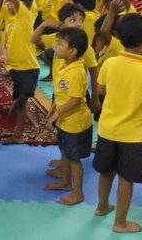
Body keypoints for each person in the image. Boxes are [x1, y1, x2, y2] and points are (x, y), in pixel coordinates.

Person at [93, 13, 142, 233]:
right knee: (126, 179)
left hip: (106, 130)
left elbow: (101, 90)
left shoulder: (110, 63)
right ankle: (120, 223)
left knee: (106, 172)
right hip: (133, 137)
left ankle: (102, 207)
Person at [45, 27, 93, 206]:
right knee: (64, 151)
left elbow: (75, 99)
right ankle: (65, 182)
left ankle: (78, 193)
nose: (55, 47)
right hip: (65, 121)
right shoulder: (64, 65)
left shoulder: (76, 71)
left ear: (72, 51)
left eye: (59, 44)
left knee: (74, 159)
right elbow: (61, 93)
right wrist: (53, 107)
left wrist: (57, 113)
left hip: (76, 124)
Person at [0, 0, 39, 144]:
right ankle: (18, 134)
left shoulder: (25, 16)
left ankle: (18, 129)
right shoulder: (10, 17)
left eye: (11, 2)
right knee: (20, 103)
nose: (8, 4)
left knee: (22, 98)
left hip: (28, 67)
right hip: (14, 67)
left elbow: (16, 0)